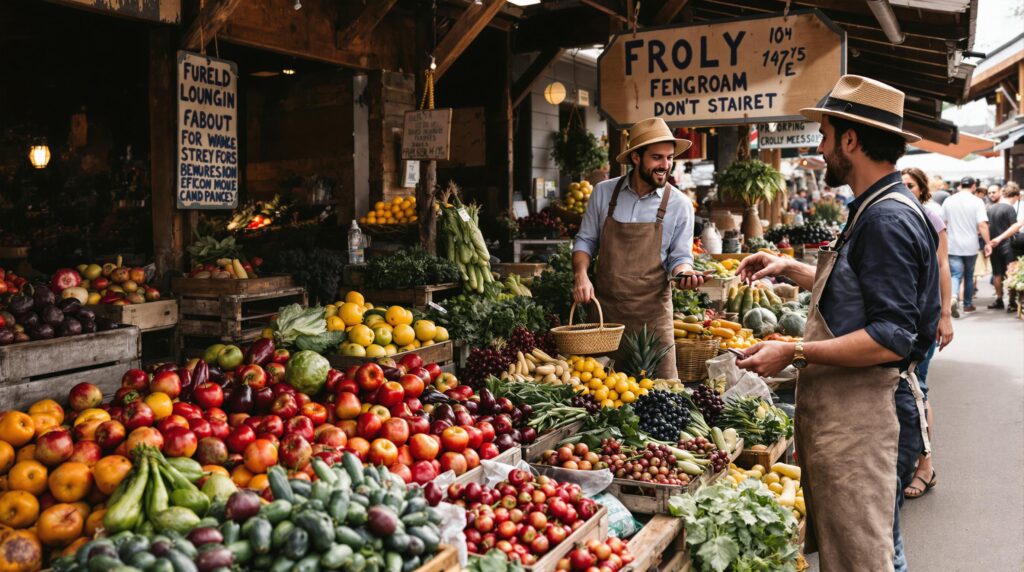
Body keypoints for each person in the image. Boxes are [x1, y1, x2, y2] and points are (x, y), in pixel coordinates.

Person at [735, 75, 938, 572]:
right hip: (857, 415)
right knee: (878, 550)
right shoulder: (874, 209)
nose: (820, 148)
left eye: (825, 135)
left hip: (869, 418)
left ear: (851, 140)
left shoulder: (885, 220)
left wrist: (794, 351)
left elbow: (891, 337)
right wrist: (790, 269)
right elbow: (859, 294)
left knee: (866, 558)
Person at [572, 117, 701, 379]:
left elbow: (680, 257)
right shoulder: (603, 193)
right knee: (600, 398)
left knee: (663, 399)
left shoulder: (680, 204)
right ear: (636, 158)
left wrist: (685, 273)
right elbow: (585, 241)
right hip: (603, 320)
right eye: (657, 157)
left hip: (652, 323)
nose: (665, 165)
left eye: (669, 157)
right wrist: (581, 275)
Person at [900, 167, 954, 501]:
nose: (905, 189)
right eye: (902, 184)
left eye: (911, 185)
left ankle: (926, 467)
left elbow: (943, 265)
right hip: (907, 318)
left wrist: (945, 314)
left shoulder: (931, 217)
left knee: (917, 389)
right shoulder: (901, 213)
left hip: (925, 317)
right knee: (908, 392)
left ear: (922, 190)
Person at [942, 176, 990, 315]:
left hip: (952, 244)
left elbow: (943, 223)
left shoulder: (949, 200)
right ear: (974, 186)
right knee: (969, 276)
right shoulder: (977, 201)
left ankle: (954, 297)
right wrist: (988, 243)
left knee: (955, 274)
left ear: (960, 185)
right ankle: (968, 305)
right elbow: (982, 224)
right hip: (971, 245)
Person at [985, 182, 1023, 312]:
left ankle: (999, 299)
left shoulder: (990, 208)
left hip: (994, 244)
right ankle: (1011, 302)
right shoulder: (1009, 209)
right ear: (1015, 196)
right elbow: (1014, 228)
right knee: (1011, 272)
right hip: (1008, 245)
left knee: (996, 273)